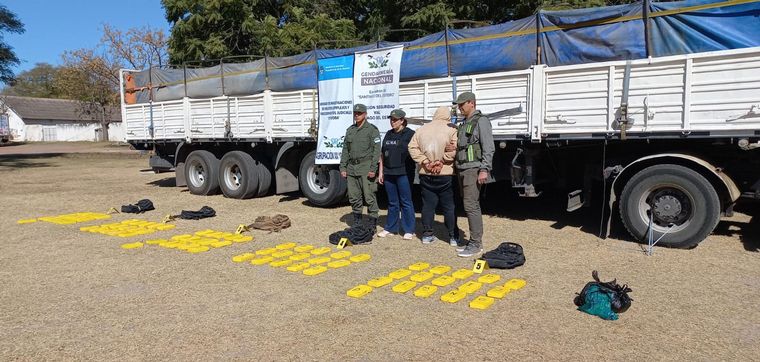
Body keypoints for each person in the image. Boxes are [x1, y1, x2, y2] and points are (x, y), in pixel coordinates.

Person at [408, 106, 460, 246]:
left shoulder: (422, 129)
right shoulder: (452, 129)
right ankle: (453, 237)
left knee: (428, 205)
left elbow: (412, 147)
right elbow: (456, 149)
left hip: (426, 172)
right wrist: (442, 161)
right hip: (446, 173)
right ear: (448, 116)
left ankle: (427, 234)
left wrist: (425, 161)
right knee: (449, 206)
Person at [451, 92, 494, 257]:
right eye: (459, 105)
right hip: (463, 168)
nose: (460, 107)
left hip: (473, 169)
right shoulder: (465, 122)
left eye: (462, 104)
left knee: (471, 206)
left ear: (471, 103)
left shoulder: (481, 121)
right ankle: (473, 242)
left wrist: (485, 169)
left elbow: (488, 147)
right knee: (468, 205)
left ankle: (476, 244)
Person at [340, 104, 381, 230]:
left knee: (369, 196)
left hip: (366, 167)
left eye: (359, 113)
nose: (356, 115)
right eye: (355, 113)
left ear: (365, 114)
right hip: (352, 168)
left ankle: (372, 223)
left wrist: (373, 169)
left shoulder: (372, 130)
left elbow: (376, 151)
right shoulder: (350, 130)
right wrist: (343, 167)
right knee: (353, 196)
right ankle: (357, 222)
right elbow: (345, 150)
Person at [377, 109, 415, 239]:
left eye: (395, 120)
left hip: (404, 173)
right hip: (389, 173)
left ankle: (408, 229)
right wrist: (381, 172)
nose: (392, 122)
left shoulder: (410, 134)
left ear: (402, 120)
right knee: (392, 202)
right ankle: (390, 227)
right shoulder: (388, 134)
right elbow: (382, 154)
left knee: (406, 201)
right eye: (391, 119)